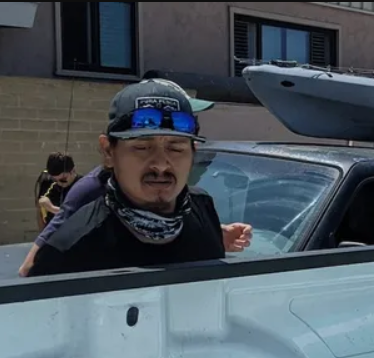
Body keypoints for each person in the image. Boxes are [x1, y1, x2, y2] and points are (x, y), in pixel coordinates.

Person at [26, 80, 250, 277]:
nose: (161, 164)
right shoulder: (69, 248)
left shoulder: (203, 208)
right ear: (108, 152)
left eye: (176, 148)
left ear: (194, 152)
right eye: (142, 147)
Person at [34, 152, 78, 231]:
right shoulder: (53, 187)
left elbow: (80, 217)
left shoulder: (84, 187)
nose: (59, 183)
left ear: (73, 171)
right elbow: (41, 215)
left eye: (63, 180)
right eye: (55, 180)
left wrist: (52, 208)